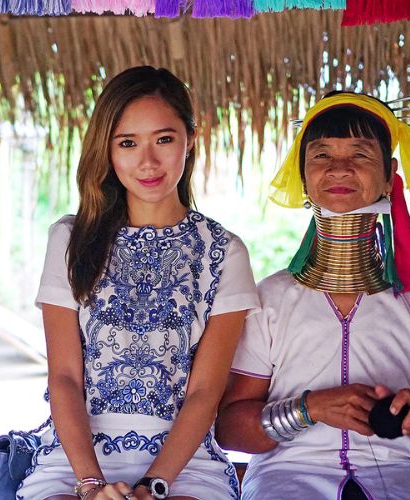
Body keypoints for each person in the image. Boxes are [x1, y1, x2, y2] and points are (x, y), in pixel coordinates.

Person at [215, 92, 410, 500]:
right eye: (321, 155)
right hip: (287, 476)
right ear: (302, 174)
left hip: (404, 476)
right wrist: (309, 409)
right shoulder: (269, 301)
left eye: (360, 154)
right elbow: (231, 427)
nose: (339, 168)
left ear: (388, 174)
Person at [18, 66, 259, 500]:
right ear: (107, 151)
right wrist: (91, 487)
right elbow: (66, 377)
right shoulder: (71, 239)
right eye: (128, 143)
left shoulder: (224, 251)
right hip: (75, 458)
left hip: (186, 462)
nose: (147, 162)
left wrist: (155, 485)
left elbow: (205, 393)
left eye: (164, 140)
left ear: (191, 138)